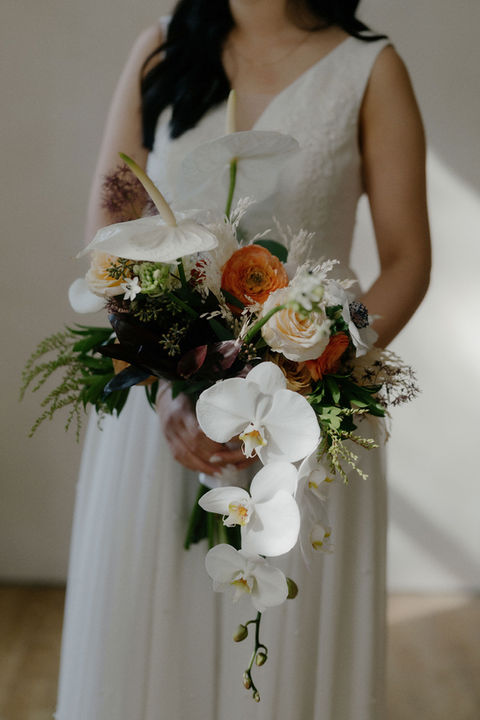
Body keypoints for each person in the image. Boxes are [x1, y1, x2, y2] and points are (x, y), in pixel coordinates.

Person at [55, 1, 431, 718]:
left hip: (310, 419)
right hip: (165, 421)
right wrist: (172, 385)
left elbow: (408, 260)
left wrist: (321, 361)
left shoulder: (370, 69)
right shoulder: (161, 50)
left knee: (283, 644)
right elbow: (111, 230)